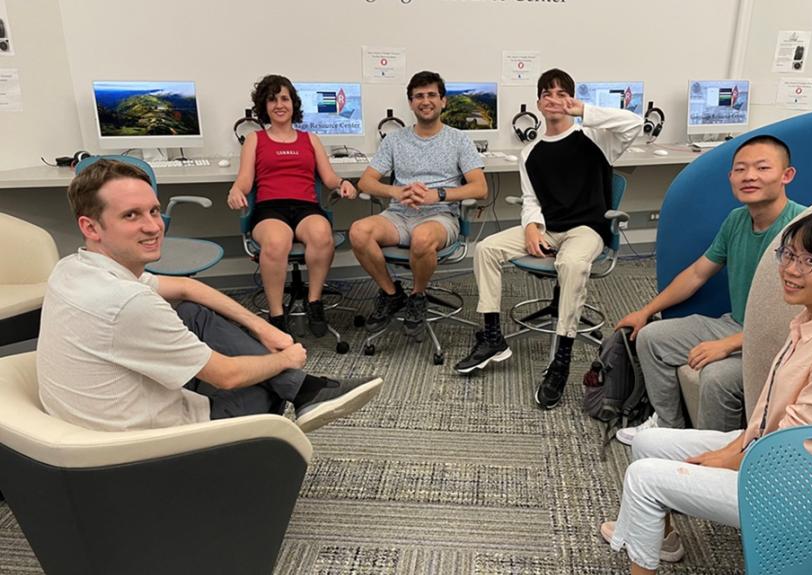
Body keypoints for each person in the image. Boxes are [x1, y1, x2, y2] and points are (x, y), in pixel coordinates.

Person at [600, 210, 812, 575]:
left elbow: (796, 448)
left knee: (643, 478)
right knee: (649, 444)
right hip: (772, 452)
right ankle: (658, 539)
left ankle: (638, 536)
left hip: (802, 490)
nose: (790, 269)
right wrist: (730, 449)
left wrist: (730, 459)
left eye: (810, 261)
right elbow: (778, 416)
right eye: (789, 254)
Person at [37, 159, 381, 432]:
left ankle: (306, 390)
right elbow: (227, 375)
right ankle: (302, 389)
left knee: (190, 311)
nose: (154, 226)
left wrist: (263, 327)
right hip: (149, 439)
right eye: (131, 215)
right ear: (91, 226)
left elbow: (188, 287)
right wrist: (286, 359)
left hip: (100, 412)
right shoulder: (128, 304)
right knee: (264, 385)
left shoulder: (72, 268)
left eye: (154, 211)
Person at [454, 68, 642, 410]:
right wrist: (530, 227)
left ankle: (562, 358)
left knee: (570, 263)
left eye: (561, 93)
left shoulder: (596, 138)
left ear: (570, 99)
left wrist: (583, 110)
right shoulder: (531, 153)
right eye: (547, 94)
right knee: (485, 249)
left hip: (586, 229)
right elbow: (531, 201)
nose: (553, 100)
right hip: (550, 228)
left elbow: (634, 123)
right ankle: (494, 337)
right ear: (538, 103)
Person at [615, 135, 806, 442]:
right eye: (740, 169)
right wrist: (646, 311)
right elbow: (696, 274)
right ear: (731, 177)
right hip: (736, 322)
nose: (750, 176)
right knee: (651, 337)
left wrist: (731, 344)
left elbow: (806, 318)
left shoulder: (803, 228)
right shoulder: (736, 220)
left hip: (784, 339)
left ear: (787, 175)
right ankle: (668, 427)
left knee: (716, 377)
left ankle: (713, 454)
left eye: (762, 168)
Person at [350, 71, 488, 337]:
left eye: (431, 95)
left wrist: (439, 195)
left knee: (422, 238)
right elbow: (365, 182)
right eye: (419, 96)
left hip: (440, 217)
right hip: (399, 216)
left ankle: (417, 296)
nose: (425, 101)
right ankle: (392, 294)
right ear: (411, 103)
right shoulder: (395, 140)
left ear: (443, 101)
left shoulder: (459, 139)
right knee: (358, 231)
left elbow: (480, 188)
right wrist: (396, 191)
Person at [226, 74, 356, 337]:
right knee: (276, 243)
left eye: (284, 98)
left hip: (306, 206)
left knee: (322, 236)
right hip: (270, 208)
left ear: (294, 103)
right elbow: (244, 181)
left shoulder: (310, 139)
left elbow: (329, 177)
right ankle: (276, 316)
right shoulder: (255, 140)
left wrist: (344, 183)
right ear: (264, 106)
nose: (279, 105)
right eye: (272, 100)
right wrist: (235, 191)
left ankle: (314, 302)